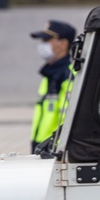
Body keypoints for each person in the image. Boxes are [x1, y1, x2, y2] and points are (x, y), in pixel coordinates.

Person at [30, 19, 76, 152]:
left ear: (63, 43)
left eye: (47, 40)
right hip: (41, 146)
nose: (42, 45)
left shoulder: (69, 75)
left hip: (55, 149)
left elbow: (68, 118)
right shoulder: (50, 73)